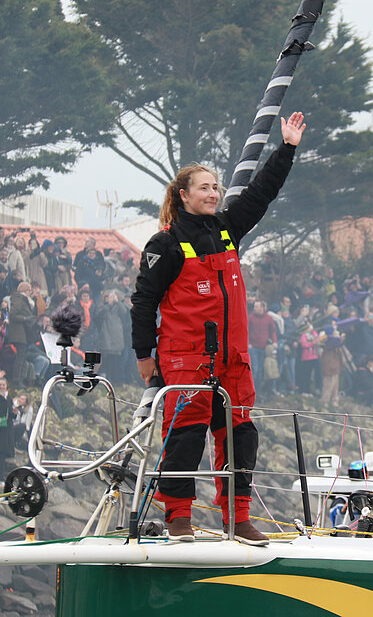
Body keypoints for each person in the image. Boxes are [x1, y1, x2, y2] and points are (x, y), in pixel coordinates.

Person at [130, 111, 306, 546]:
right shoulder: (165, 244)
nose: (213, 193)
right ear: (184, 195)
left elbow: (262, 194)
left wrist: (286, 148)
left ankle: (237, 517)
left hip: (233, 360)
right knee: (186, 437)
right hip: (185, 358)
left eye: (216, 187)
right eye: (204, 187)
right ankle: (178, 519)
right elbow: (143, 303)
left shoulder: (227, 228)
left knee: (241, 437)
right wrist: (144, 357)